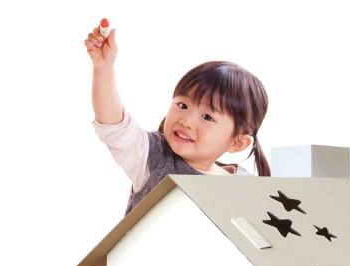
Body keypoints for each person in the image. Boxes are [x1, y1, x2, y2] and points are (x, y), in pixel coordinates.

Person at [84, 24, 271, 215]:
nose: (186, 121)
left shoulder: (245, 186)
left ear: (237, 143)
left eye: (207, 117)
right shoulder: (153, 158)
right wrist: (103, 68)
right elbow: (114, 126)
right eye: (182, 105)